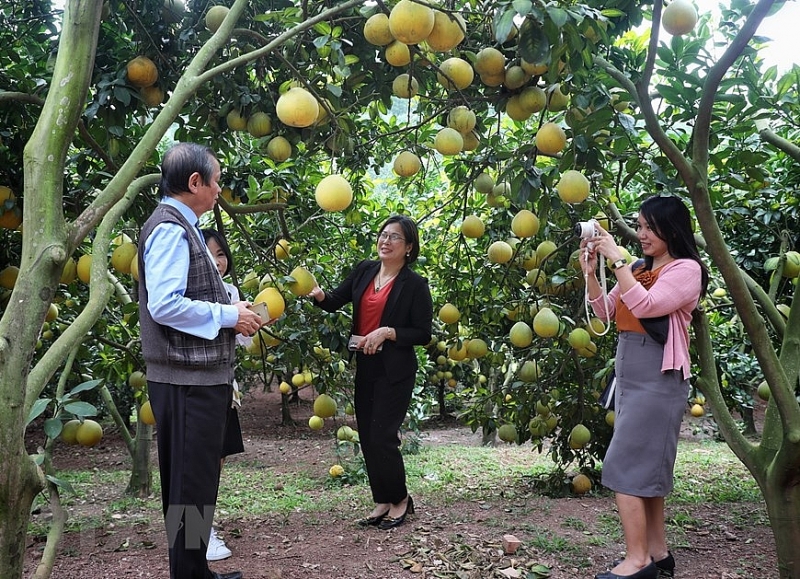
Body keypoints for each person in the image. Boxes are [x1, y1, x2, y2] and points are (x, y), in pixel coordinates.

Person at [138, 142, 263, 579]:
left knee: (190, 483)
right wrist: (230, 315)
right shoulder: (172, 228)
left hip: (190, 378)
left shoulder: (180, 226)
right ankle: (189, 574)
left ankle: (192, 571)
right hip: (187, 381)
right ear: (195, 183)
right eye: (216, 180)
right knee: (191, 485)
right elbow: (165, 305)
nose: (218, 189)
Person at [580, 195, 708, 579]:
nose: (642, 234)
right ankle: (658, 553)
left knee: (625, 465)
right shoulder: (638, 267)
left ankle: (637, 562)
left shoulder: (686, 270)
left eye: (650, 227)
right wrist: (591, 272)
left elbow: (648, 305)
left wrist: (617, 260)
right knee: (646, 469)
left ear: (673, 228)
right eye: (639, 226)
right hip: (630, 374)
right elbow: (605, 312)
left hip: (659, 377)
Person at [308, 215, 433, 530]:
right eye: (383, 234)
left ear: (409, 248)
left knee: (383, 435)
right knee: (367, 435)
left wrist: (388, 332)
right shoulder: (365, 270)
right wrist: (318, 294)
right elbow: (335, 300)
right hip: (366, 365)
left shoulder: (415, 284)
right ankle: (382, 500)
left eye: (395, 237)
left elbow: (422, 333)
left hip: (395, 370)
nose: (385, 241)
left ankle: (401, 500)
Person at [201, 228, 252, 562]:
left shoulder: (230, 291)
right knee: (193, 465)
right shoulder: (189, 291)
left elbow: (243, 342)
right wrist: (227, 316)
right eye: (209, 254)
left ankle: (200, 531)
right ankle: (194, 535)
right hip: (193, 386)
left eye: (221, 255)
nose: (217, 262)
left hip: (222, 386)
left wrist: (250, 321)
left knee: (213, 463)